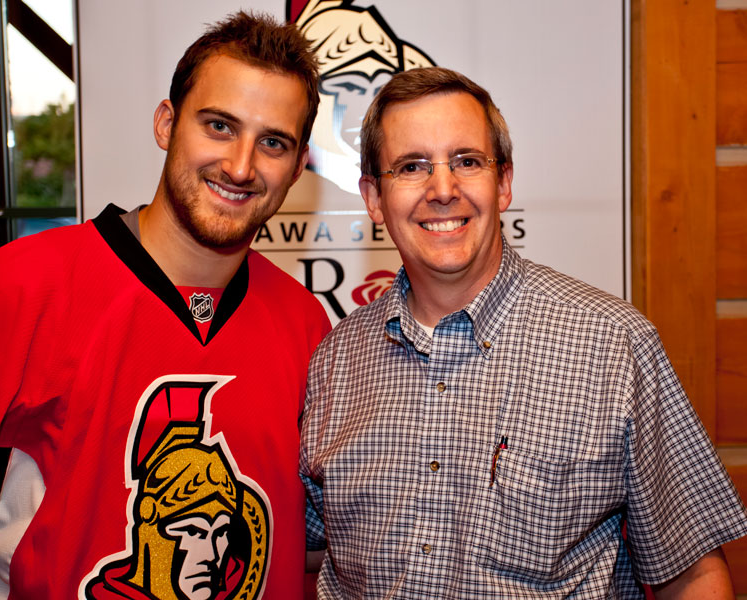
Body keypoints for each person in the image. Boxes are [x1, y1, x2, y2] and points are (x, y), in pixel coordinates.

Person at [0, 11, 330, 600]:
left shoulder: (306, 324)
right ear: (166, 122)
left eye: (272, 142)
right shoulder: (10, 295)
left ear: (299, 161)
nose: (240, 166)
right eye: (219, 126)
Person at [299, 67, 747, 598]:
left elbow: (693, 573)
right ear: (373, 197)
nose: (443, 190)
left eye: (467, 161)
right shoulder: (336, 359)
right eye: (412, 166)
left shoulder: (613, 345)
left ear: (504, 182)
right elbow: (308, 555)